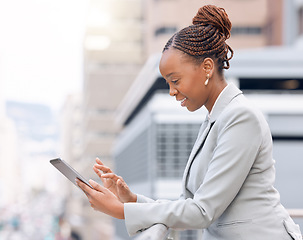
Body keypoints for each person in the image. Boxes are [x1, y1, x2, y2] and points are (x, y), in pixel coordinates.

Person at [76, 4, 302, 240]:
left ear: (206, 68)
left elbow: (202, 211)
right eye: (168, 83)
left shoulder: (240, 118)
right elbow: (190, 203)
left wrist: (122, 211)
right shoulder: (216, 118)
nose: (172, 91)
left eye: (175, 80)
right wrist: (132, 200)